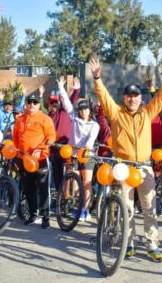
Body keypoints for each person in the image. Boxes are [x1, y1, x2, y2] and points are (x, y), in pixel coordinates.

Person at [90, 57, 162, 262]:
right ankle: (128, 244)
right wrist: (97, 78)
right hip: (123, 168)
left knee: (149, 207)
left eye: (136, 95)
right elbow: (104, 97)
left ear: (140, 98)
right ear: (124, 98)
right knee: (126, 208)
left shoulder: (147, 112)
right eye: (129, 96)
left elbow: (161, 98)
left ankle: (152, 244)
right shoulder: (116, 113)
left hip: (145, 167)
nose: (132, 99)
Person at [57, 76, 99, 221]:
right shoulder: (74, 118)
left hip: (87, 154)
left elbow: (91, 139)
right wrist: (61, 87)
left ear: (90, 110)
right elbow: (67, 104)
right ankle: (74, 203)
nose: (83, 112)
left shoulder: (95, 125)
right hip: (74, 154)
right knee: (74, 180)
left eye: (85, 109)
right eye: (81, 109)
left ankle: (85, 211)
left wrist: (87, 147)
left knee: (86, 183)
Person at [13, 92, 56, 228]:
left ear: (39, 105)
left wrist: (41, 148)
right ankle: (33, 214)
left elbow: (51, 136)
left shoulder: (45, 119)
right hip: (24, 159)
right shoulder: (20, 119)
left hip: (40, 158)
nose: (31, 104)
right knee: (29, 188)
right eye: (29, 102)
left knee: (43, 188)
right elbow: (15, 138)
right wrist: (16, 153)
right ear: (25, 104)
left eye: (35, 102)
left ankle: (45, 216)